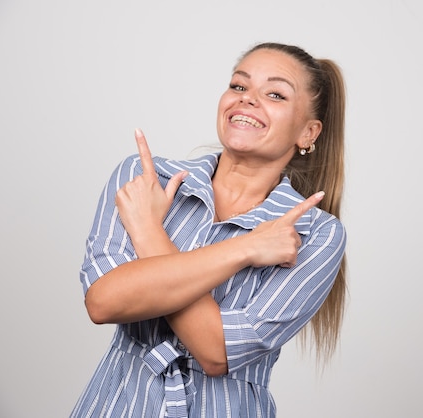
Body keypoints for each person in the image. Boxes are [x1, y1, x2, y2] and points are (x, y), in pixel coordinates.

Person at [71, 42, 347, 418]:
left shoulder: (316, 234)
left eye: (275, 94)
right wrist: (247, 248)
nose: (248, 100)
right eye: (239, 86)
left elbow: (216, 350)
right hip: (117, 405)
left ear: (308, 133)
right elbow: (104, 302)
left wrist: (149, 230)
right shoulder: (145, 180)